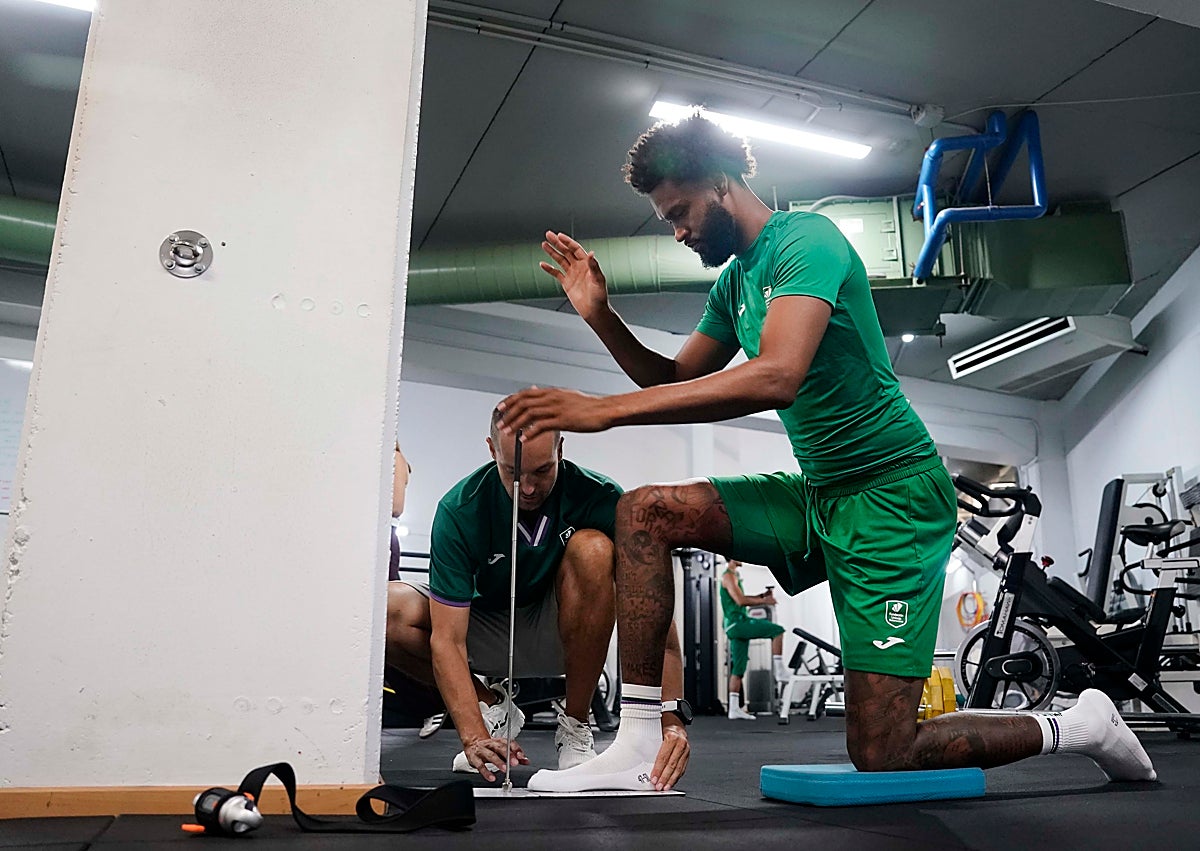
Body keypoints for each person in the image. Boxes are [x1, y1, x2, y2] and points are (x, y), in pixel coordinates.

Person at [497, 114, 1156, 791]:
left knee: (884, 750)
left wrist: (602, 411)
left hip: (892, 498)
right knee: (644, 511)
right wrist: (599, 314)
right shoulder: (735, 283)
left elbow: (777, 375)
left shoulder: (806, 240)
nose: (678, 232)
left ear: (720, 183)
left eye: (680, 212)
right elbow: (671, 378)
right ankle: (638, 742)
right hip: (819, 493)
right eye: (669, 220)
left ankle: (1082, 726)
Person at [385, 407, 690, 786]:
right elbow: (447, 639)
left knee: (594, 549)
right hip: (485, 627)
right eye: (513, 472)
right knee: (386, 609)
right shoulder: (460, 509)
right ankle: (492, 709)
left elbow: (656, 616)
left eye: (542, 471)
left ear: (560, 449)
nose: (527, 488)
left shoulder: (600, 497)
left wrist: (671, 719)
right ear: (491, 450)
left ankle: (577, 725)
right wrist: (474, 735)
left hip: (560, 628)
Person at [720, 560, 785, 720]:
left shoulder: (734, 575)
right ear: (732, 558)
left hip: (735, 625)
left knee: (738, 668)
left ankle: (734, 709)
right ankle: (780, 672)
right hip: (738, 623)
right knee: (777, 631)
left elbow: (742, 598)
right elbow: (741, 601)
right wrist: (764, 601)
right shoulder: (728, 576)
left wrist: (762, 596)